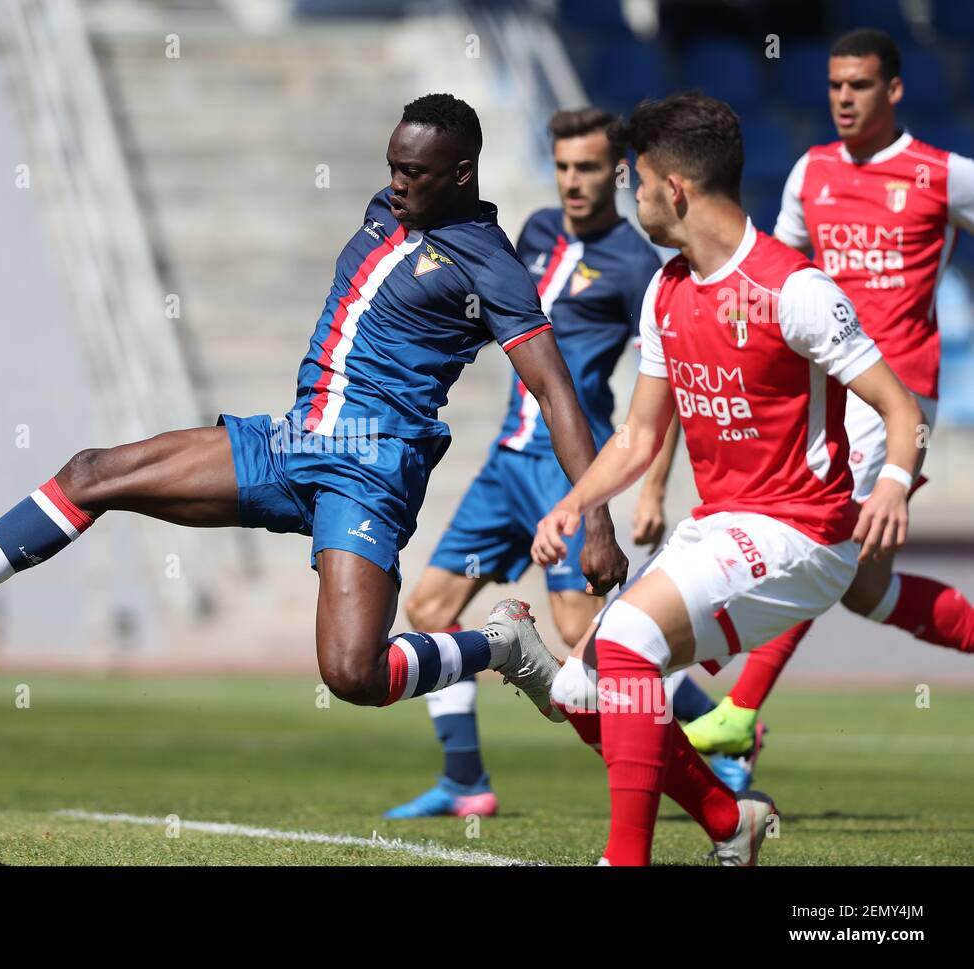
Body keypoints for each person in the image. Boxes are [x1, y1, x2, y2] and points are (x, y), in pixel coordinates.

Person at [0, 94, 628, 727]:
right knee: (91, 473)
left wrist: (594, 517)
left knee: (351, 674)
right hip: (285, 441)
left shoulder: (492, 267)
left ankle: (497, 645)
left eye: (416, 172)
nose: (396, 182)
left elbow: (556, 390)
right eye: (391, 165)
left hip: (369, 469)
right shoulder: (392, 206)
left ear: (463, 173)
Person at [534, 92, 922, 865]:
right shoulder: (666, 291)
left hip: (805, 531)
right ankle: (726, 820)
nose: (631, 196)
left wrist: (894, 482)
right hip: (722, 523)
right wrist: (576, 502)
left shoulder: (794, 288)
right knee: (579, 690)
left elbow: (898, 405)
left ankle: (625, 859)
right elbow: (642, 433)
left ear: (673, 189)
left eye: (635, 182)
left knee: (630, 642)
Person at [383, 108, 724, 819]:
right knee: (429, 606)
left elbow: (669, 380)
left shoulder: (637, 265)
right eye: (565, 166)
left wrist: (651, 484)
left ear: (618, 172)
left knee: (580, 631)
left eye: (590, 167)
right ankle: (466, 778)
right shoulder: (534, 231)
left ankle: (713, 731)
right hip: (508, 461)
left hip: (569, 468)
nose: (574, 181)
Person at [685, 27, 974, 759]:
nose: (844, 97)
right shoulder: (810, 172)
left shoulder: (943, 175)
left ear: (895, 90)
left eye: (861, 85)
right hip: (827, 390)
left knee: (821, 535)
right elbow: (777, 265)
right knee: (863, 587)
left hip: (897, 394)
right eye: (836, 85)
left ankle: (741, 710)